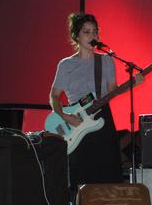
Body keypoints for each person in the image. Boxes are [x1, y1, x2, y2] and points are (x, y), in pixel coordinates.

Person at [49, 12, 123, 189]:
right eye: (87, 32)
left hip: (102, 117)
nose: (92, 36)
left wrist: (132, 83)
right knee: (81, 173)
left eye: (95, 32)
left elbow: (112, 90)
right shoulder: (66, 64)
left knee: (108, 171)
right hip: (76, 121)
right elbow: (54, 96)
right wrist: (65, 116)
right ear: (76, 36)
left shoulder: (106, 61)